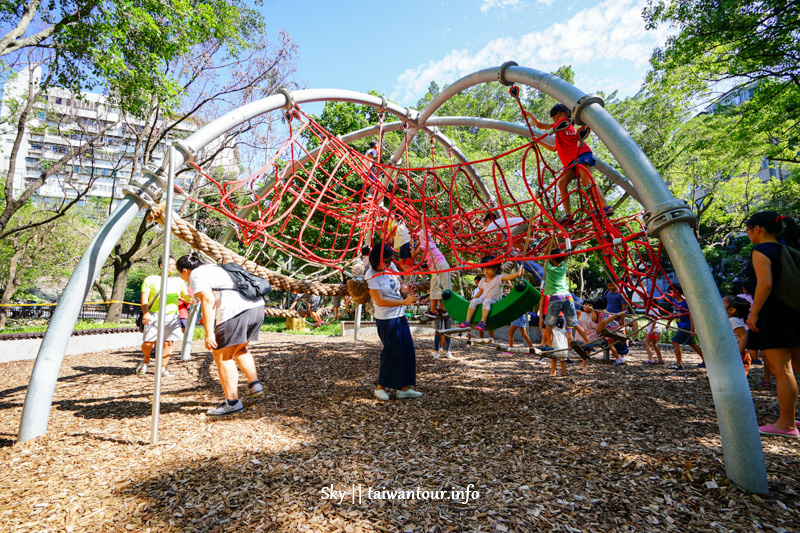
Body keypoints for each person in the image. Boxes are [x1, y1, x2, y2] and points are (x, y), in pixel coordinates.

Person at [176, 254, 266, 417]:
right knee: (239, 349)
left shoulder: (196, 274)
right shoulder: (216, 268)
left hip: (236, 312)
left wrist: (209, 333)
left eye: (181, 276)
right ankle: (254, 384)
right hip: (257, 307)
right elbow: (220, 295)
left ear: (184, 271)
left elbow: (208, 300)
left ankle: (232, 403)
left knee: (222, 355)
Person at [744, 211, 800, 438]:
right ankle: (789, 420)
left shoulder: (761, 250)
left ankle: (786, 424)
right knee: (796, 366)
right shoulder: (788, 248)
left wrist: (754, 314)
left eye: (748, 230)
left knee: (782, 370)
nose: (748, 234)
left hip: (775, 315)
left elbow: (764, 284)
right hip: (794, 312)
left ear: (757, 229)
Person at [522, 103, 611, 224]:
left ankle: (605, 207)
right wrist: (537, 142)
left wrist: (529, 114)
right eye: (554, 118)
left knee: (587, 181)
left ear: (567, 114)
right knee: (562, 184)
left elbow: (539, 125)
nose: (556, 118)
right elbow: (553, 148)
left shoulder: (565, 124)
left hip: (580, 154)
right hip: (571, 162)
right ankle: (568, 215)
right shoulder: (560, 134)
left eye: (558, 115)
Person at [366, 243, 422, 400]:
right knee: (392, 352)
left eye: (391, 260)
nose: (390, 263)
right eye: (386, 260)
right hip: (386, 319)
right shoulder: (371, 274)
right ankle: (380, 387)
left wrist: (407, 288)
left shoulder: (392, 267)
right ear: (376, 260)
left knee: (407, 350)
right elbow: (381, 300)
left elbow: (400, 287)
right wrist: (404, 302)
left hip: (399, 315)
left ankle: (404, 388)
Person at [137, 256, 191, 378]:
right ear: (162, 266)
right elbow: (144, 297)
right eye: (170, 264)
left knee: (168, 343)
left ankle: (162, 368)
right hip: (154, 314)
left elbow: (186, 295)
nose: (173, 266)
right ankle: (146, 360)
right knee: (148, 342)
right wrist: (146, 312)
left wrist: (191, 299)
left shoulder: (179, 281)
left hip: (172, 316)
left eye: (174, 264)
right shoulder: (150, 279)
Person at [537, 238, 590, 351]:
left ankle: (550, 346)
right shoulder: (563, 266)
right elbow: (559, 253)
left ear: (551, 258)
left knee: (549, 324)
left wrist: (550, 240)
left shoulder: (550, 268)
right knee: (574, 323)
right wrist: (555, 239)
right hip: (568, 296)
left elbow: (546, 254)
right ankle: (588, 342)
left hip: (556, 297)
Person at [458, 256, 521, 331]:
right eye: (484, 270)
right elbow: (480, 292)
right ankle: (468, 321)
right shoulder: (483, 280)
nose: (486, 271)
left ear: (495, 269)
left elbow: (508, 277)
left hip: (495, 300)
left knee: (486, 301)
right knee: (474, 301)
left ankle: (483, 322)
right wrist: (473, 299)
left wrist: (517, 274)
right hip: (485, 299)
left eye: (488, 269)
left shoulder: (498, 278)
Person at [412, 228, 452, 319]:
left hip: (438, 266)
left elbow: (413, 254)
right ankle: (443, 309)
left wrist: (412, 245)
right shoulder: (430, 243)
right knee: (440, 288)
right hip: (443, 265)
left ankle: (432, 311)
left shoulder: (424, 246)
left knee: (434, 288)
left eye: (419, 237)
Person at [665, 284, 704, 370]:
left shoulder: (685, 301)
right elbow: (674, 314)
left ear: (677, 292)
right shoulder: (675, 302)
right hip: (681, 326)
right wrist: (669, 322)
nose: (669, 294)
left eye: (671, 292)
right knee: (692, 344)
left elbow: (691, 315)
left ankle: (679, 364)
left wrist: (692, 328)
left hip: (686, 326)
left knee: (674, 341)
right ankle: (706, 361)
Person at [723, 295, 751, 376]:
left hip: (738, 354)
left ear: (731, 310)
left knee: (738, 377)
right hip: (731, 353)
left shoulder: (733, 320)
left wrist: (738, 354)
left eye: (722, 303)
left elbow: (744, 336)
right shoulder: (728, 320)